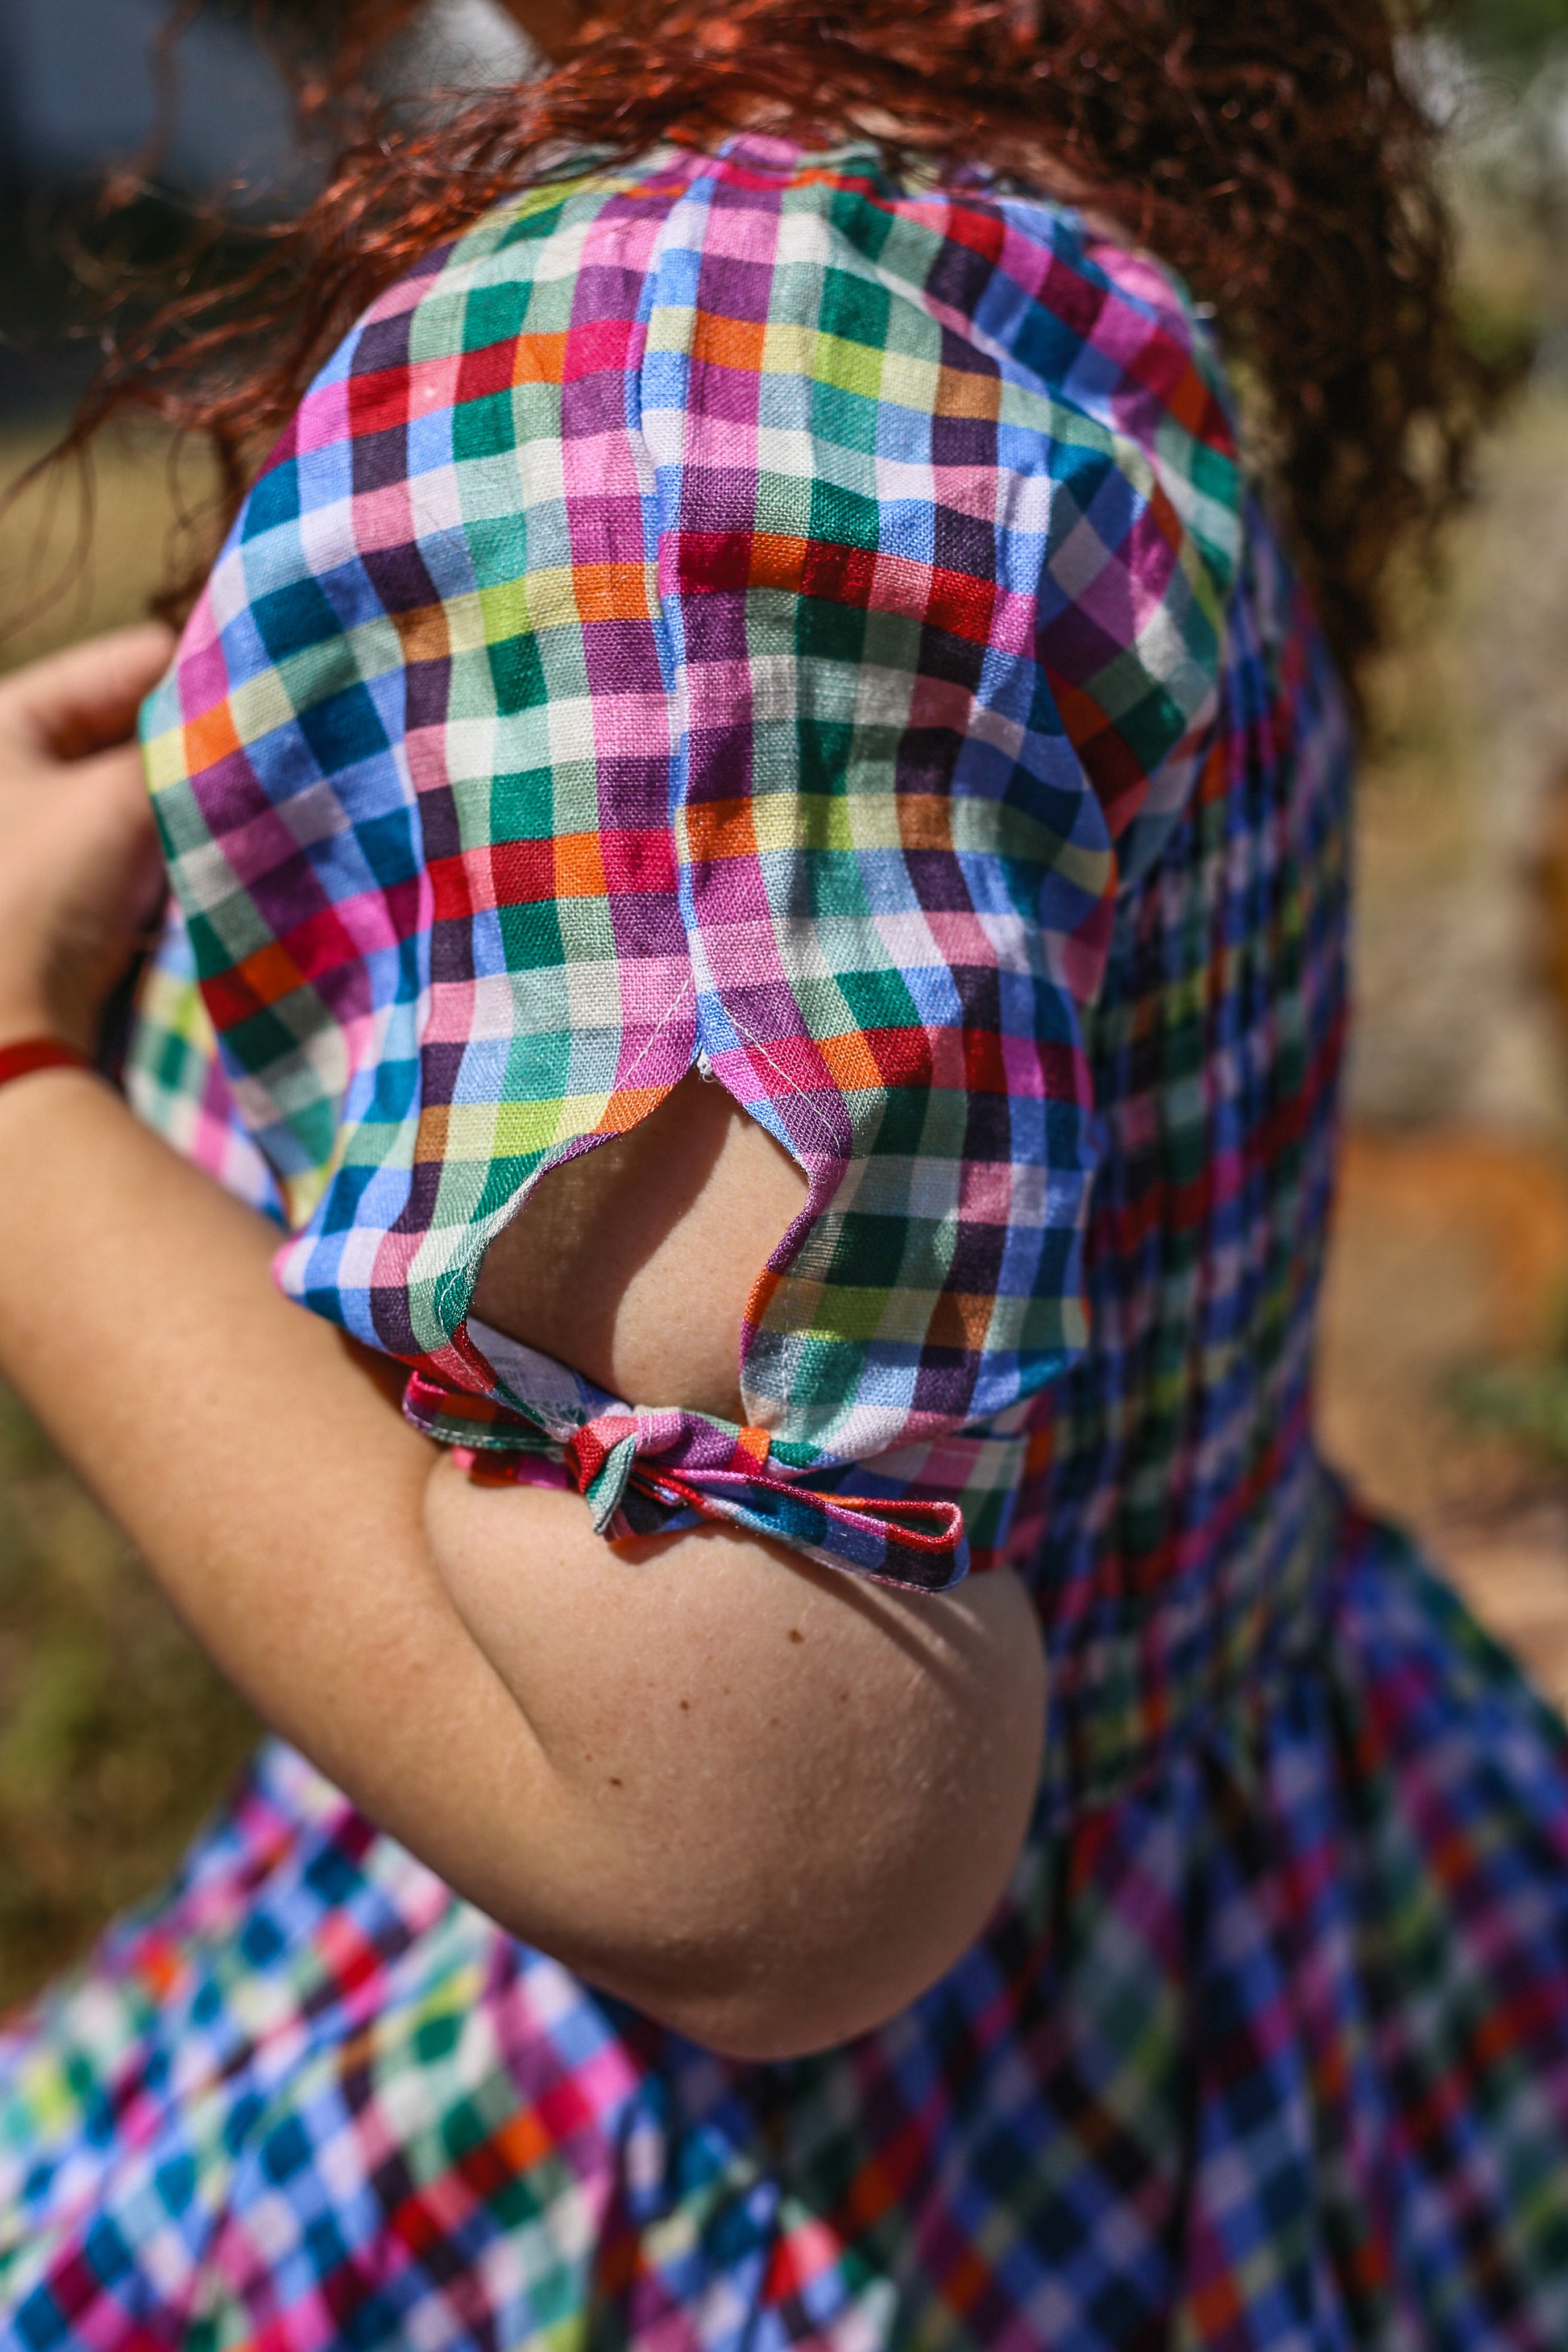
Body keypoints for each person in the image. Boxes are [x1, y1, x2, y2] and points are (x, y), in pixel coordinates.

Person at [2, 0, 1565, 2342]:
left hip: (803, 2200)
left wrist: (17, 1095)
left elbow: (749, 1829)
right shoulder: (990, 229)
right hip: (1286, 1984)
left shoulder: (670, 371)